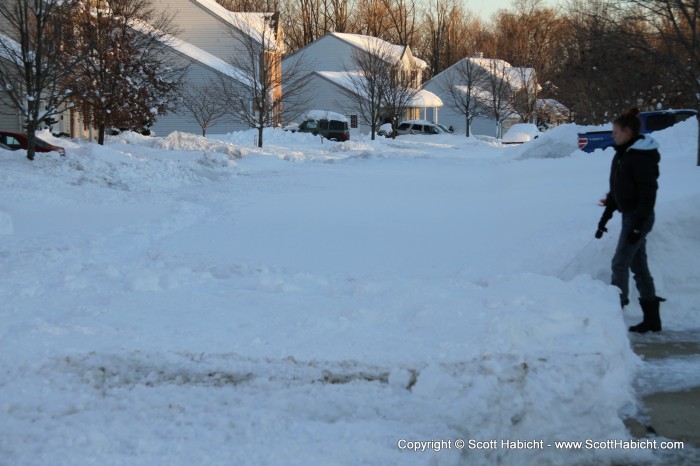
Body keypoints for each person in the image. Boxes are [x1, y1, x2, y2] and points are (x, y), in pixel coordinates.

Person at [595, 108, 664, 333]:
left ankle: (615, 315)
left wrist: (637, 226)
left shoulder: (640, 157)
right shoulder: (623, 154)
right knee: (639, 266)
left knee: (619, 263)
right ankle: (652, 320)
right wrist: (604, 219)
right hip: (630, 216)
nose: (613, 135)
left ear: (628, 131)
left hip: (639, 217)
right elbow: (617, 190)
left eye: (616, 132)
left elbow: (648, 193)